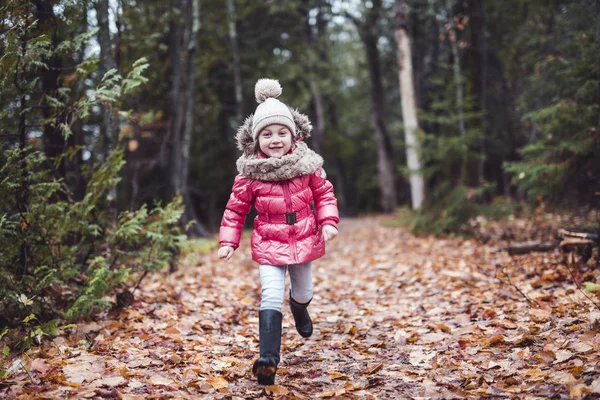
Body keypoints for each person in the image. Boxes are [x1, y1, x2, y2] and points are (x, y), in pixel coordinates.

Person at [217, 78, 339, 385]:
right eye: (267, 134)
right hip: (269, 243)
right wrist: (228, 242)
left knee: (303, 291)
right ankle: (268, 360)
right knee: (270, 296)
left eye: (281, 133)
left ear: (293, 135)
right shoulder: (249, 174)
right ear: (256, 140)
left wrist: (328, 222)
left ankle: (300, 309)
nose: (275, 139)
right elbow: (235, 210)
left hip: (304, 238)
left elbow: (324, 194)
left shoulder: (307, 165)